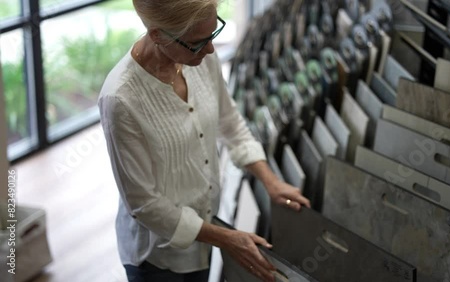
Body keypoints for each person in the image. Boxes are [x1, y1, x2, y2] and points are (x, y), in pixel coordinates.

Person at [98, 0, 311, 281]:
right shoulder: (120, 100)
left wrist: (271, 181)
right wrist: (226, 238)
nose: (211, 49)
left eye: (213, 34)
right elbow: (143, 204)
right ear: (157, 35)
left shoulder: (200, 56)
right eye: (198, 42)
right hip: (158, 257)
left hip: (207, 234)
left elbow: (230, 123)